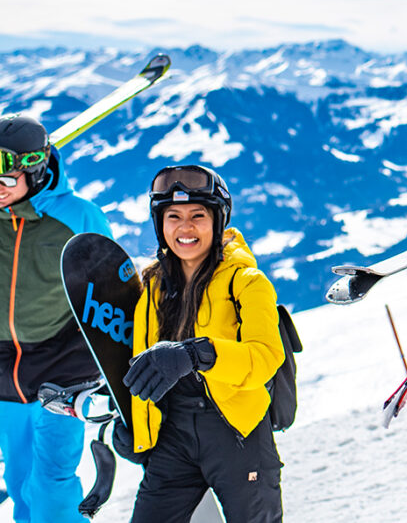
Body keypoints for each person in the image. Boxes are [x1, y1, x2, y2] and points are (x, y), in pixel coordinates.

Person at [111, 164, 285, 523]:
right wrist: (134, 423)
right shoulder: (152, 288)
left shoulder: (248, 282)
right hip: (174, 436)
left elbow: (265, 357)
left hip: (236, 435)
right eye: (172, 216)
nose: (184, 228)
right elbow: (140, 362)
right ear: (159, 223)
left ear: (218, 221)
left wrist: (196, 354)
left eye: (198, 216)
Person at [0, 114, 111, 523]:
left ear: (36, 167)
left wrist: (114, 361)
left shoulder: (78, 217)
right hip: (3, 373)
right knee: (20, 481)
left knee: (52, 488)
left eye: (7, 178)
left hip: (61, 373)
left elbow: (110, 287)